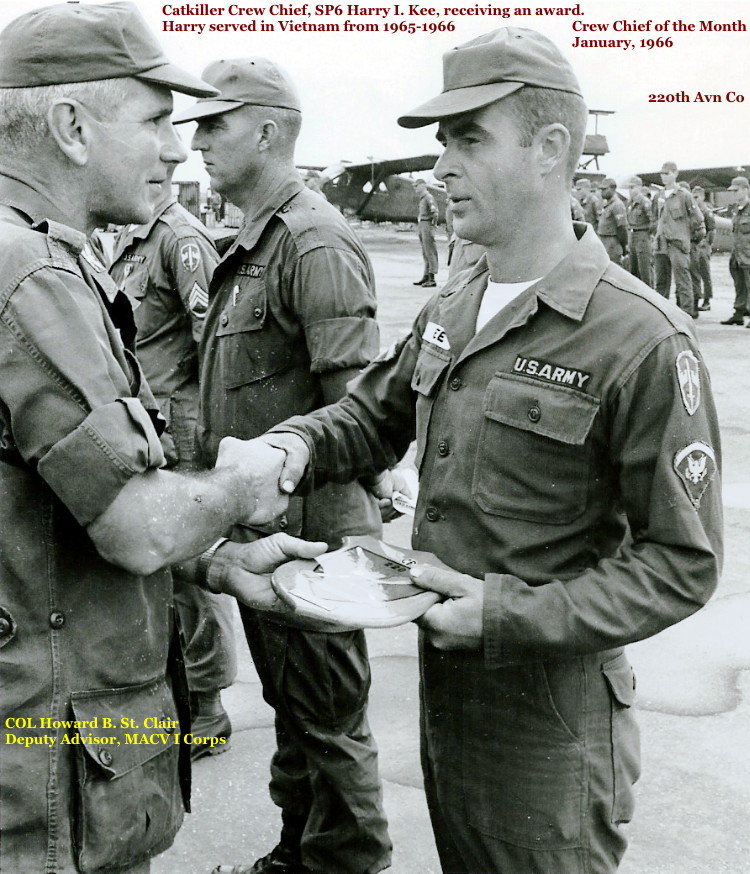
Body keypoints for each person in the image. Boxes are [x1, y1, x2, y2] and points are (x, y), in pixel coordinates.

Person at [260, 27, 723, 874]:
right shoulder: (457, 298)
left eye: (468, 139)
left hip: (548, 724)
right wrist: (285, 451)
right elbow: (369, 418)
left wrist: (504, 615)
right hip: (448, 701)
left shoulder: (640, 338)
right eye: (442, 143)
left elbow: (682, 563)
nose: (440, 168)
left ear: (550, 149)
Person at [0, 5, 326, 873]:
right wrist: (243, 482)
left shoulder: (39, 256)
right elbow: (135, 525)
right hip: (46, 783)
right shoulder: (30, 274)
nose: (177, 149)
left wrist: (212, 561)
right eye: (152, 121)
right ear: (71, 127)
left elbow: (41, 505)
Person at [172, 58, 392, 874]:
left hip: (315, 541)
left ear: (267, 131)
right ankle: (299, 855)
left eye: (213, 124)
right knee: (298, 717)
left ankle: (344, 863)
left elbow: (359, 406)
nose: (196, 142)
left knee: (329, 725)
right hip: (268, 536)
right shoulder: (252, 243)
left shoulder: (313, 242)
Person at [109, 166, 237, 756]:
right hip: (147, 424)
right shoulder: (134, 237)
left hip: (178, 426)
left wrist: (202, 432)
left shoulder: (182, 241)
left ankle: (206, 710)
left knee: (189, 569)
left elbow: (212, 339)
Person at [651, 161, 705, 317]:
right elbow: (655, 218)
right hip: (661, 245)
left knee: (682, 281)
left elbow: (697, 219)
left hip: (677, 244)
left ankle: (687, 313)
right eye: (662, 173)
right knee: (661, 282)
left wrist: (687, 238)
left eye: (667, 173)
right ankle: (662, 315)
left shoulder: (684, 196)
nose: (664, 177)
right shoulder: (658, 196)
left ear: (675, 174)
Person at [722, 175, 750, 326]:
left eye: (736, 190)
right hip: (737, 255)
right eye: (732, 191)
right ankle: (738, 314)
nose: (734, 194)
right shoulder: (736, 210)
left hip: (748, 254)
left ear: (745, 190)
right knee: (739, 285)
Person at [689, 186, 715, 312]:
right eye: (693, 197)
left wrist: (706, 245)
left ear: (703, 197)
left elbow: (711, 231)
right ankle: (697, 298)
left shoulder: (706, 212)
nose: (694, 199)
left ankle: (707, 300)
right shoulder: (693, 210)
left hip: (703, 246)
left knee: (705, 273)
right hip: (694, 245)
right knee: (694, 272)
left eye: (697, 197)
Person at [626, 175, 654, 286]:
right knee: (633, 269)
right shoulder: (630, 203)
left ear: (639, 188)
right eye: (629, 188)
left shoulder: (644, 202)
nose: (630, 190)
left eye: (632, 187)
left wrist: (646, 234)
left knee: (644, 270)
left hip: (642, 236)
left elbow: (653, 221)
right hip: (632, 236)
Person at [414, 177, 439, 286]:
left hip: (427, 225)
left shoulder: (428, 198)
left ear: (423, 186)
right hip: (422, 224)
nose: (415, 188)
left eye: (417, 186)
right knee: (425, 252)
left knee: (430, 251)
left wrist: (432, 225)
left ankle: (432, 278)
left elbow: (435, 213)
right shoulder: (422, 198)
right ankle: (426, 276)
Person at [597, 177, 628, 264]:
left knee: (613, 266)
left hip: (612, 242)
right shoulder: (606, 204)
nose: (602, 192)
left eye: (604, 189)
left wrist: (623, 245)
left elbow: (622, 227)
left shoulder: (617, 205)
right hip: (604, 240)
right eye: (601, 189)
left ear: (613, 189)